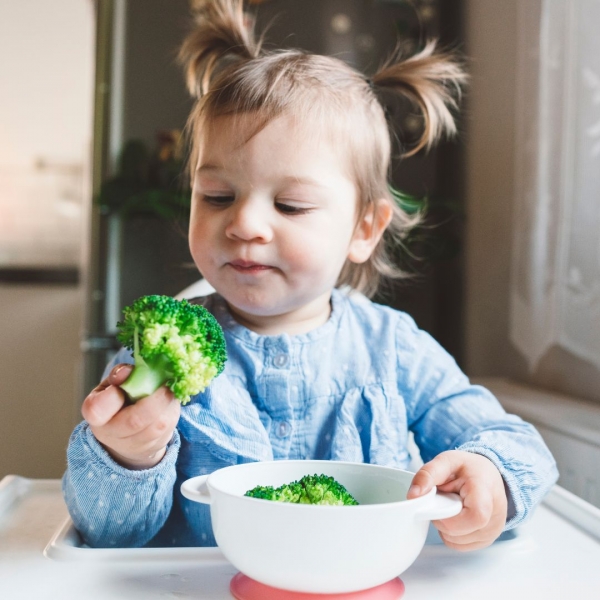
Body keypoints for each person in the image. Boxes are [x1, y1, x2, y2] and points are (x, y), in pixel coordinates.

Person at [63, 0, 557, 551]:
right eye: (218, 196)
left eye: (291, 205)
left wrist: (490, 476)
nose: (244, 223)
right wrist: (127, 454)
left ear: (364, 227)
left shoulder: (394, 349)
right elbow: (109, 534)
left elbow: (519, 445)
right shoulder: (157, 355)